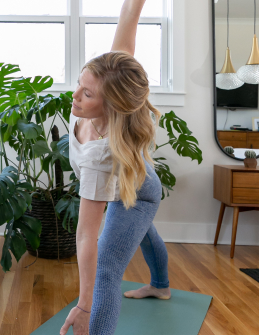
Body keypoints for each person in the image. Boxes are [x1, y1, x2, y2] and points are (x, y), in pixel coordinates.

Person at [60, 1, 171, 334]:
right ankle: (161, 285)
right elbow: (129, 17)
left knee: (107, 265)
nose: (75, 95)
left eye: (87, 93)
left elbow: (86, 235)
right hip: (133, 174)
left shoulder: (99, 157)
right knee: (144, 233)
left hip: (140, 190)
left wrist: (84, 304)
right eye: (80, 82)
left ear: (110, 106)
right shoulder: (113, 75)